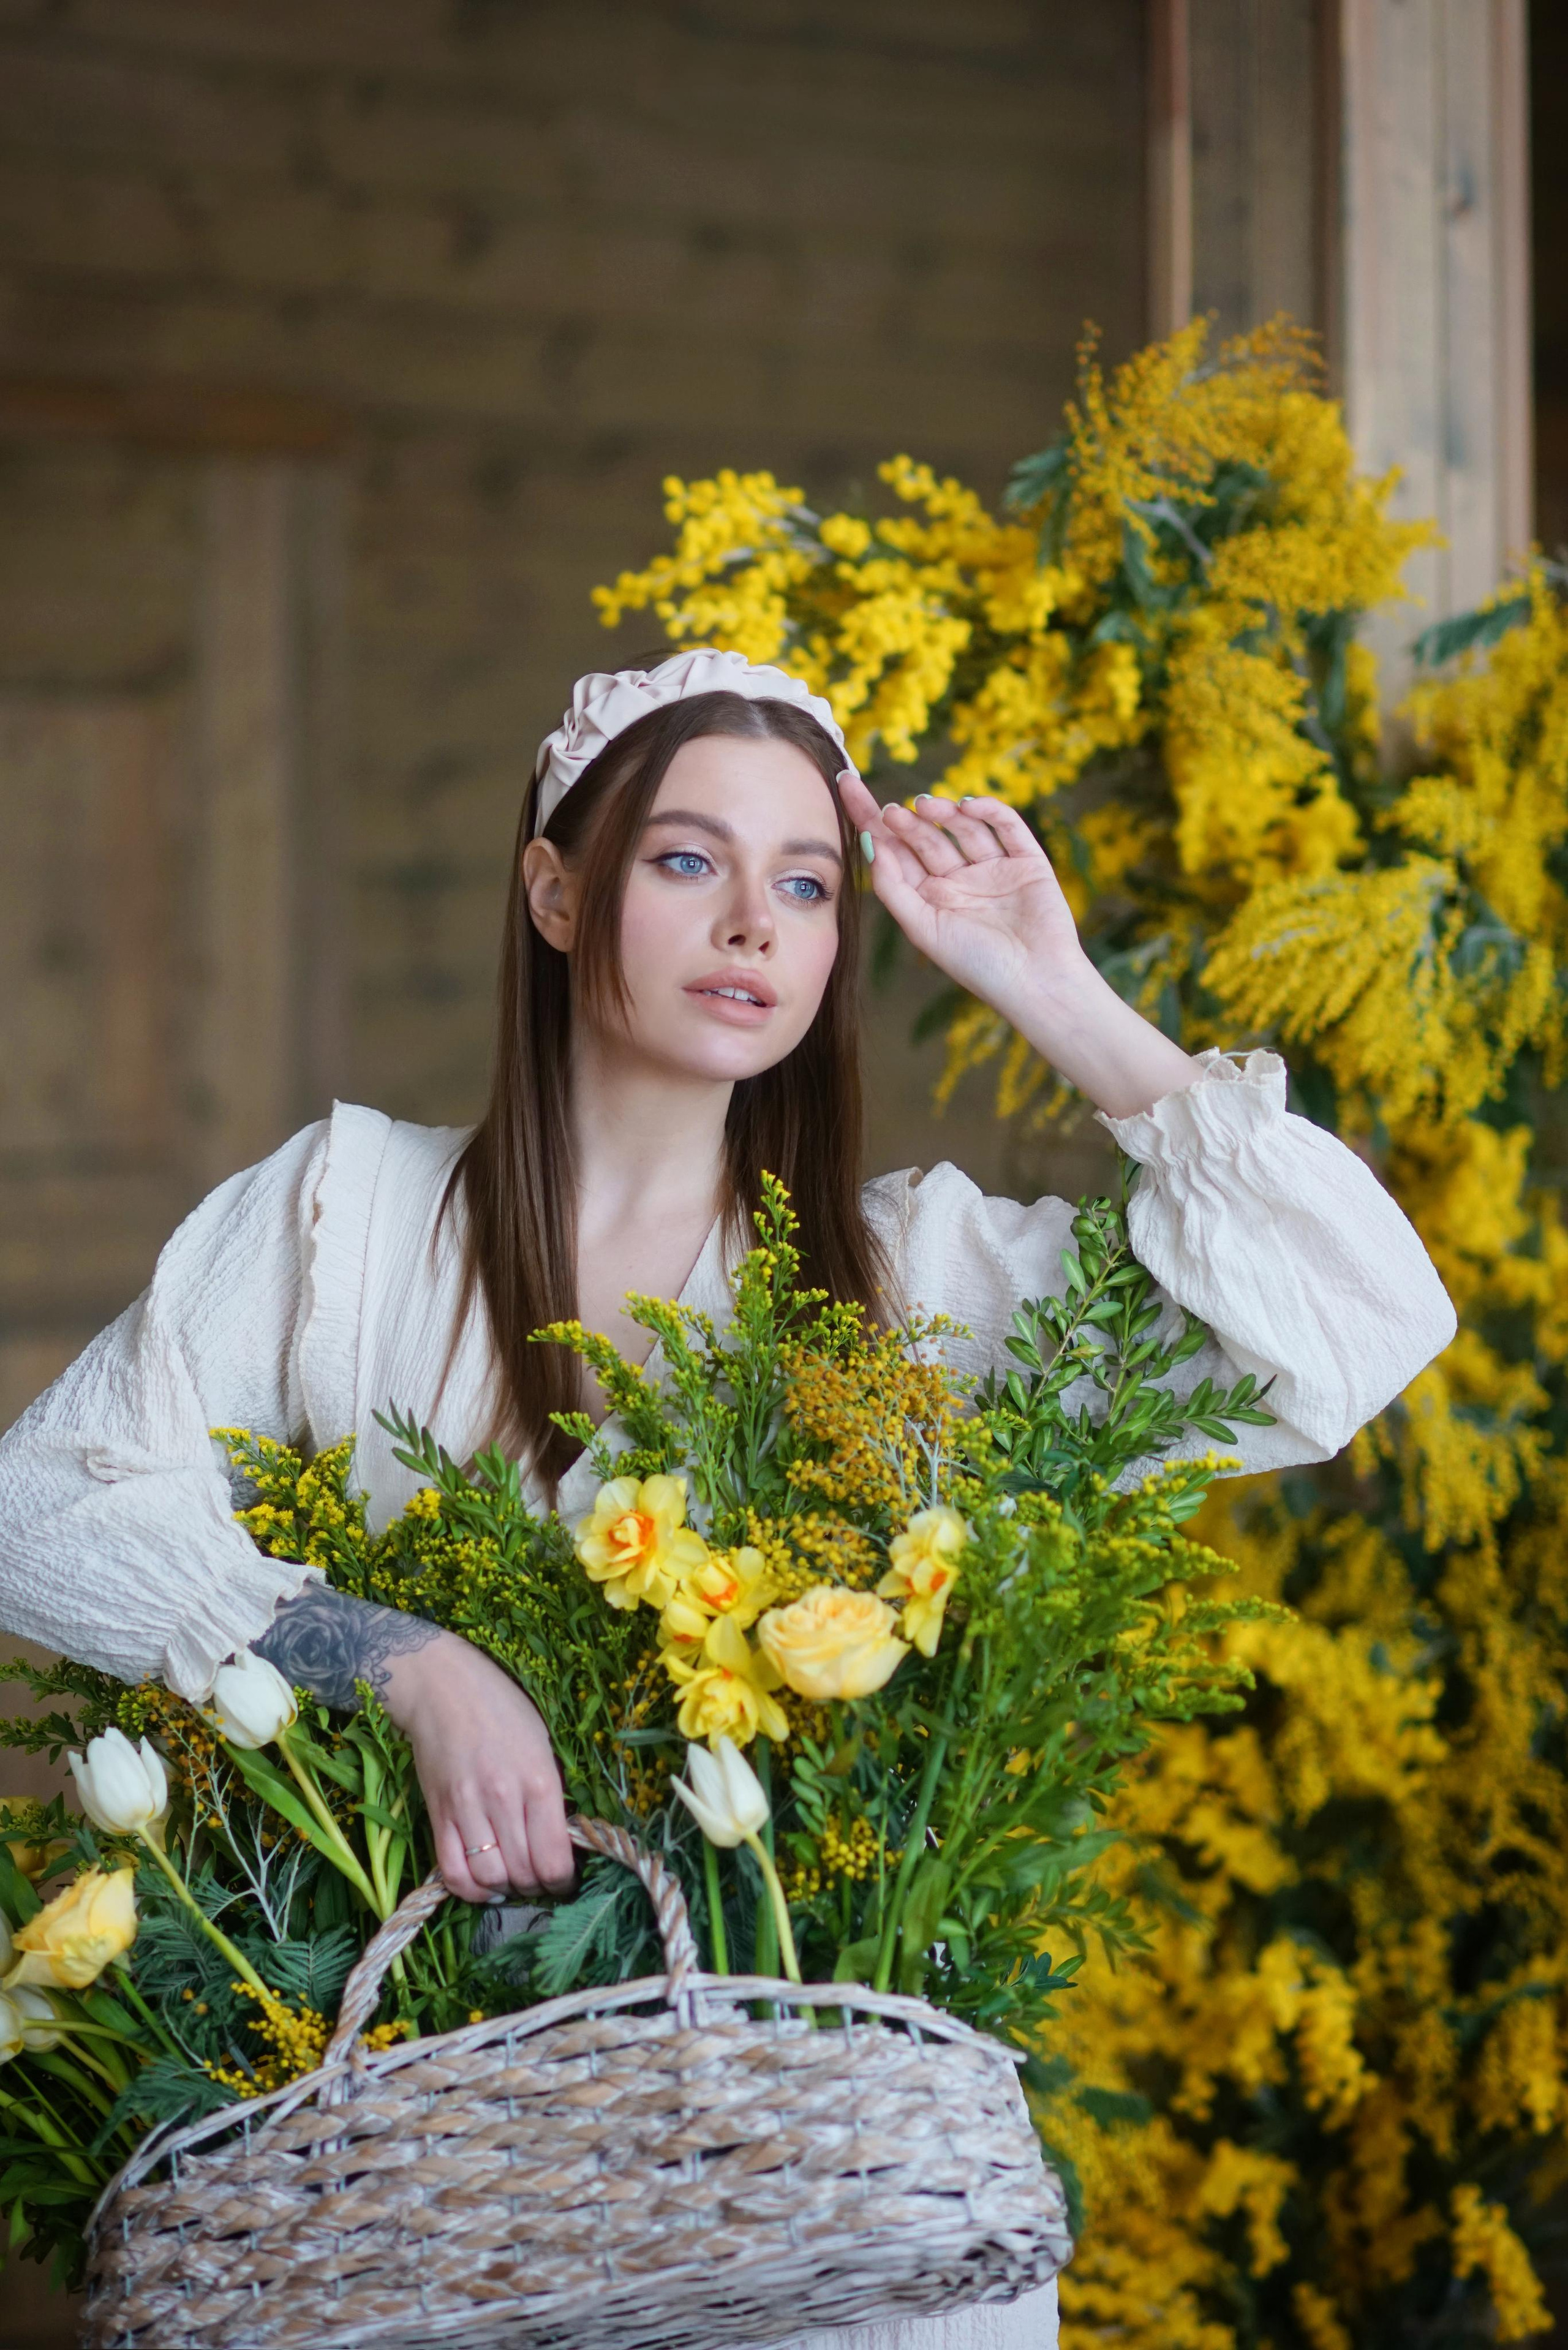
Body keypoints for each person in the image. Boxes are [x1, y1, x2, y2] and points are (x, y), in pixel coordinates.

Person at [0, 648, 1457, 2349]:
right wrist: (397, 1662)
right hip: (428, 2202)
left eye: (808, 885)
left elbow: (1359, 1324)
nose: (755, 925)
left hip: (826, 2226)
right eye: (690, 861)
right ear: (556, 891)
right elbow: (40, 1501)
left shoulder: (912, 1283)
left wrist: (1050, 983)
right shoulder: (350, 1223)